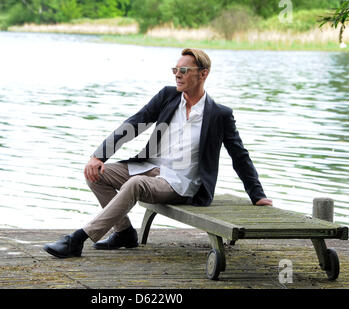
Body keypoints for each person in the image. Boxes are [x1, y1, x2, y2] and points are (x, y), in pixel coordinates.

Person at [43, 48, 272, 258]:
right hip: (149, 167)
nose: (177, 75)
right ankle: (124, 233)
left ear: (203, 74)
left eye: (184, 70)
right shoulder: (168, 97)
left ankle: (78, 239)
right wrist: (99, 156)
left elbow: (239, 155)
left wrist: (257, 194)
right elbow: (134, 124)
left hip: (180, 182)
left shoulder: (219, 115)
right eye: (175, 70)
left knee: (135, 184)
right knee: (96, 174)